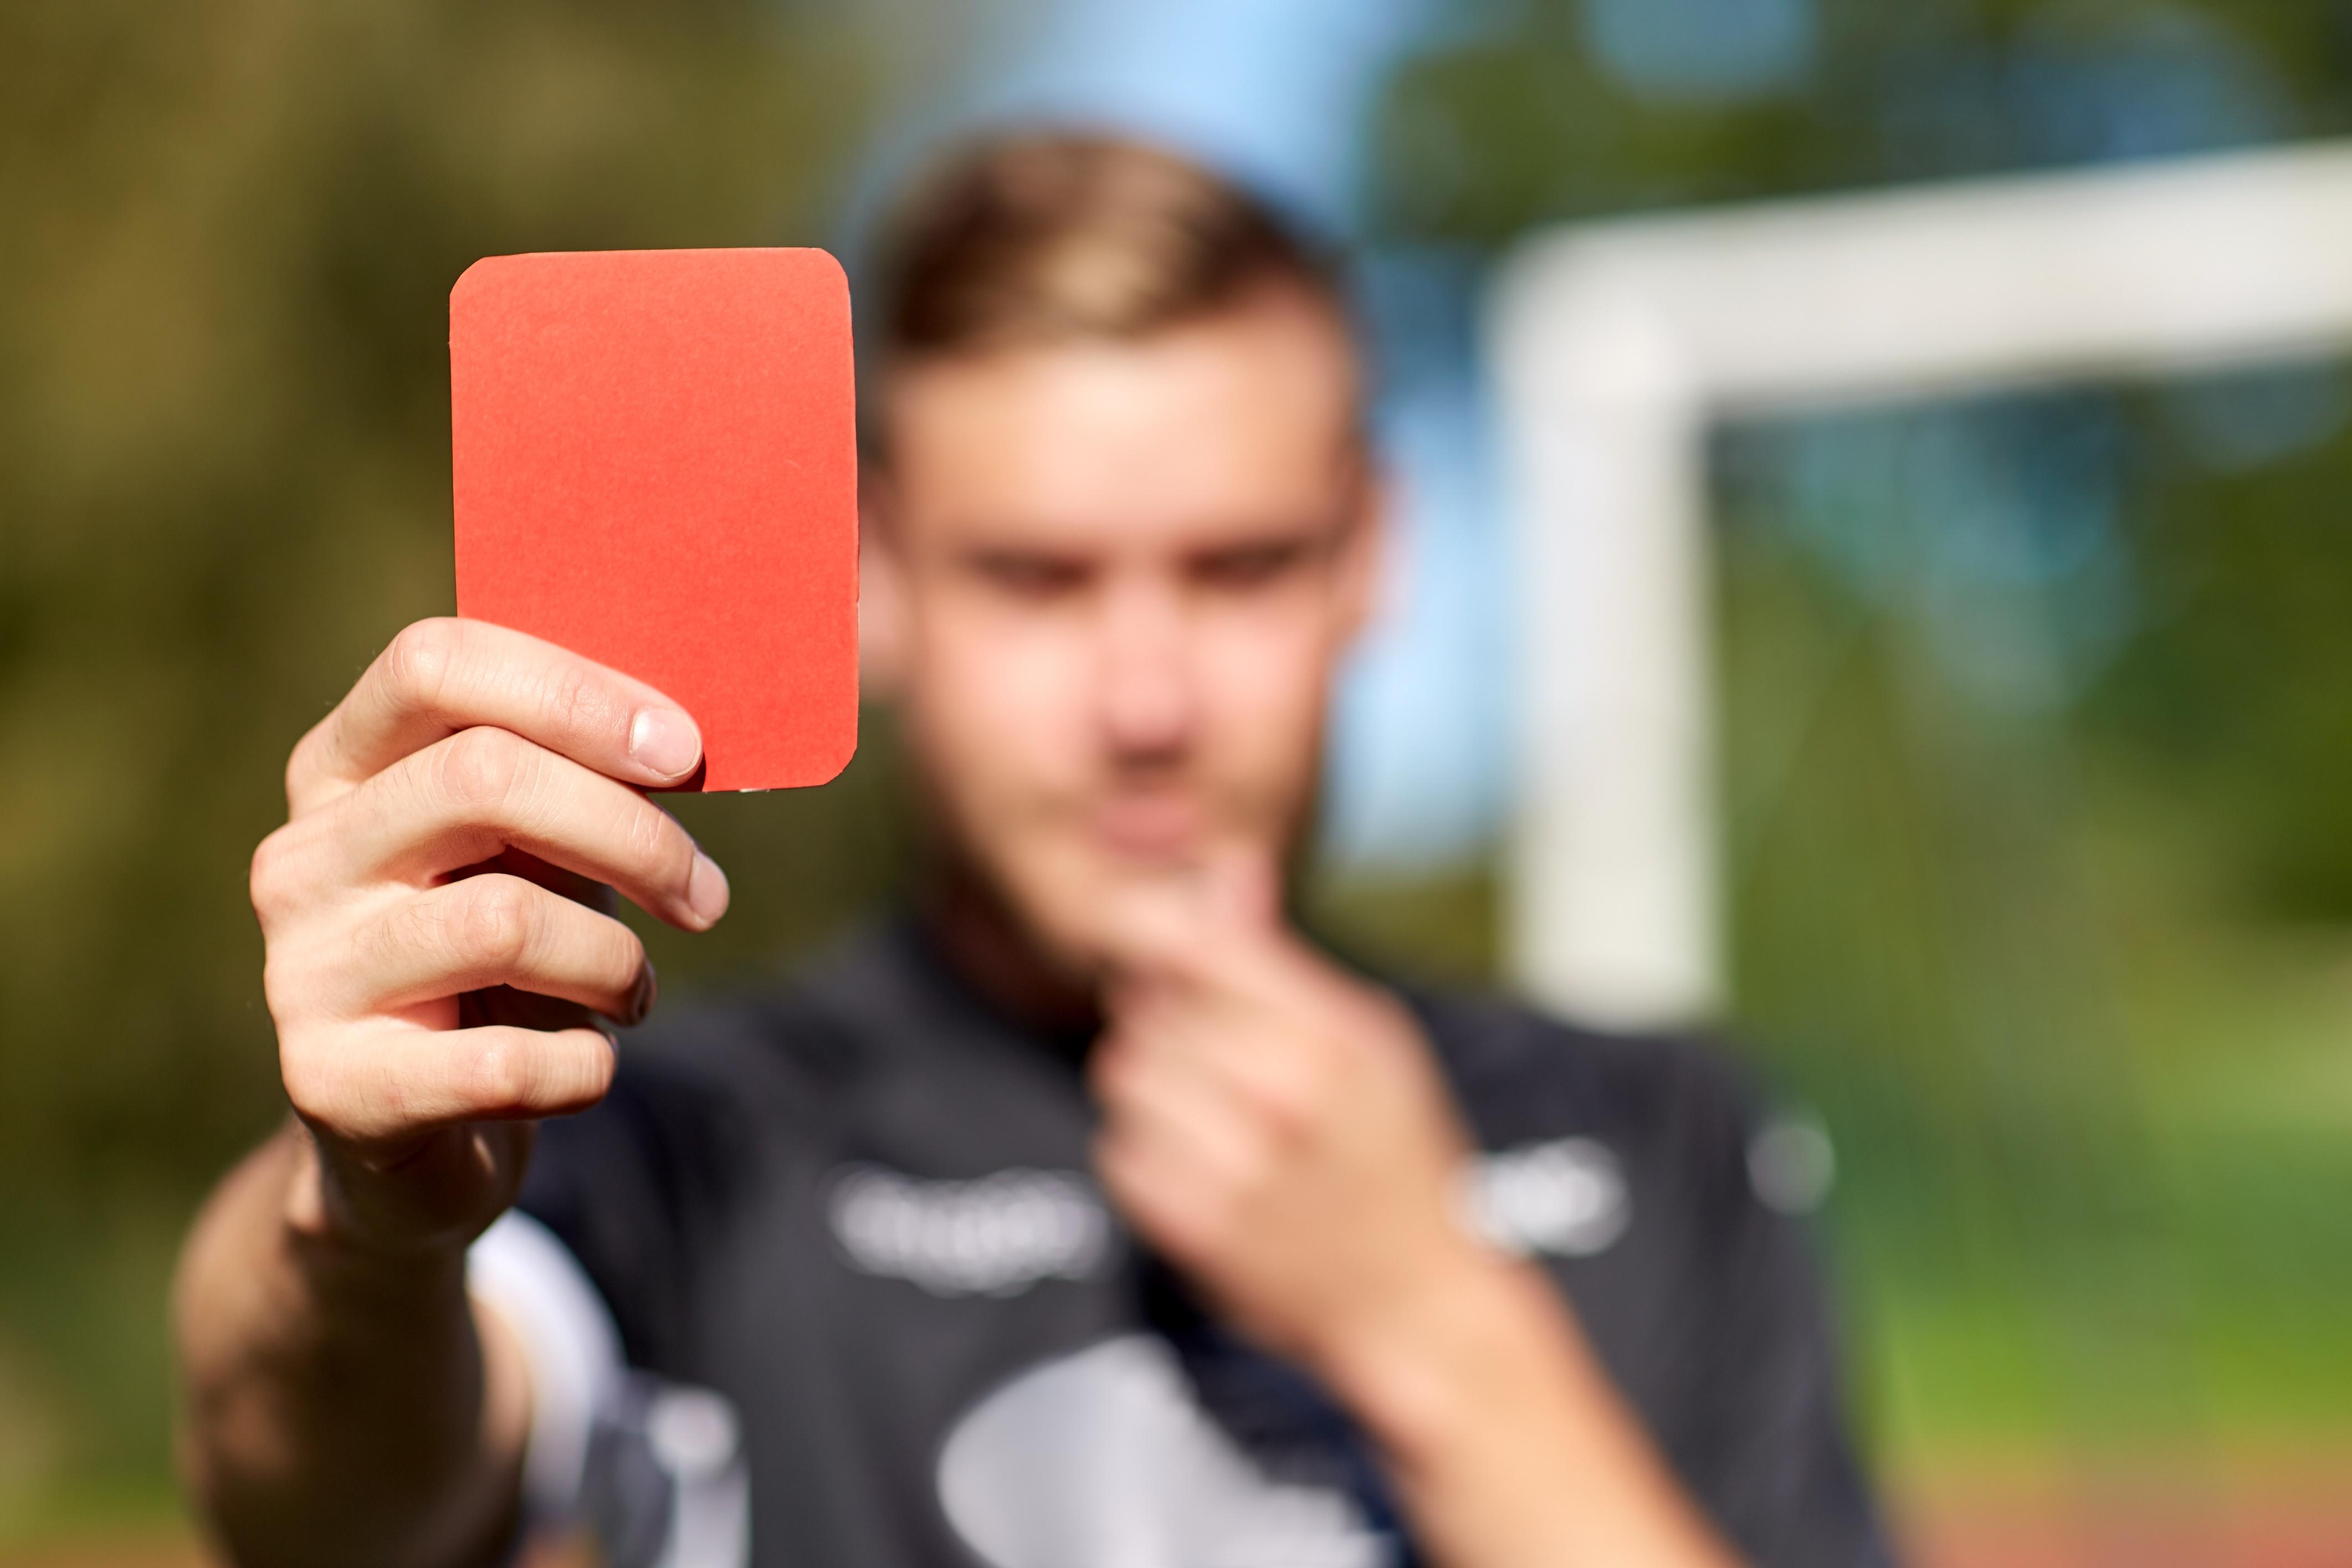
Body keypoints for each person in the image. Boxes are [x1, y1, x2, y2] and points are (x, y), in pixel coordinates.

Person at [174, 132, 1894, 1568]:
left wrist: (1435, 1325)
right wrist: (366, 1222)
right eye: (1038, 579)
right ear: (878, 578)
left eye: (1239, 567)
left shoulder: (1654, 1133)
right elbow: (324, 1511)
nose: (1146, 700)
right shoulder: (681, 1141)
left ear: (1375, 551)